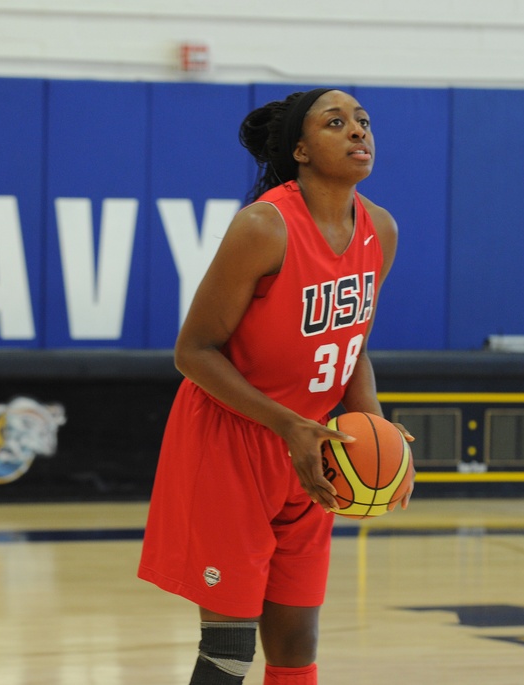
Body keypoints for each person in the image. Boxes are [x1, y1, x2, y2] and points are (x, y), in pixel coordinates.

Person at [137, 87, 413, 685]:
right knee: (230, 650)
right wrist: (287, 424)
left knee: (295, 645)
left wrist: (377, 435)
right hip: (232, 440)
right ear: (301, 151)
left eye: (363, 122)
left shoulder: (381, 230)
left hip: (312, 444)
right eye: (336, 123)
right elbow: (193, 351)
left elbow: (352, 344)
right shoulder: (265, 225)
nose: (358, 132)